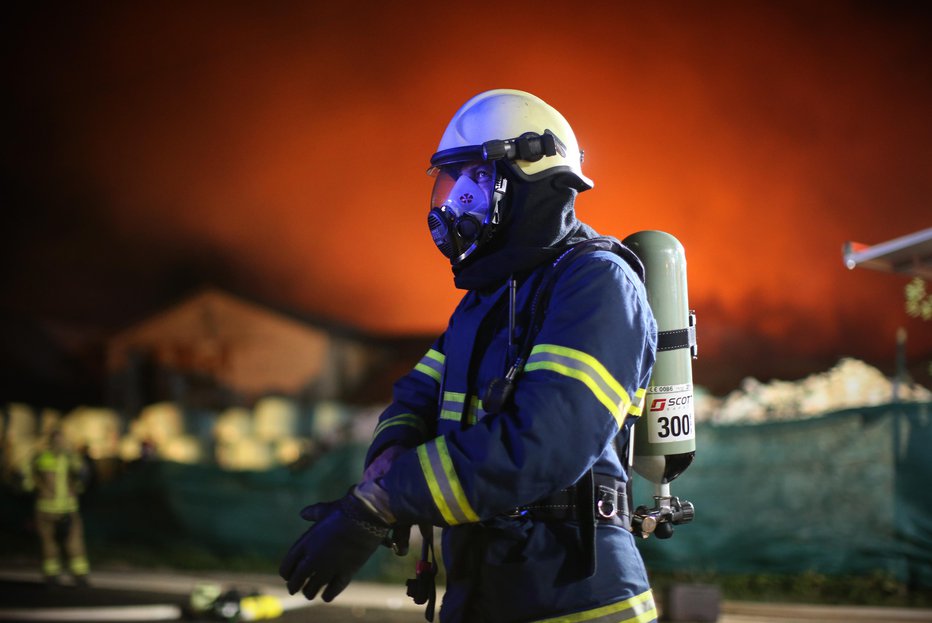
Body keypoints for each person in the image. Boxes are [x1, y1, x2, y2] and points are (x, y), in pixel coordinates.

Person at [280, 89, 659, 623]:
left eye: (473, 178)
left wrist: (383, 500)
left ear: (527, 174)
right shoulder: (487, 299)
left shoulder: (596, 282)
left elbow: (544, 444)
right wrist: (378, 483)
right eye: (451, 180)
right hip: (482, 591)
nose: (454, 198)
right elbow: (415, 401)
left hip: (576, 599)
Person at [22, 427, 91, 587]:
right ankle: (75, 575)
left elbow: (25, 479)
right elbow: (83, 478)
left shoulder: (40, 457)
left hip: (50, 507)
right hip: (64, 508)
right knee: (68, 543)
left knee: (55, 543)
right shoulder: (68, 457)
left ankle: (55, 575)